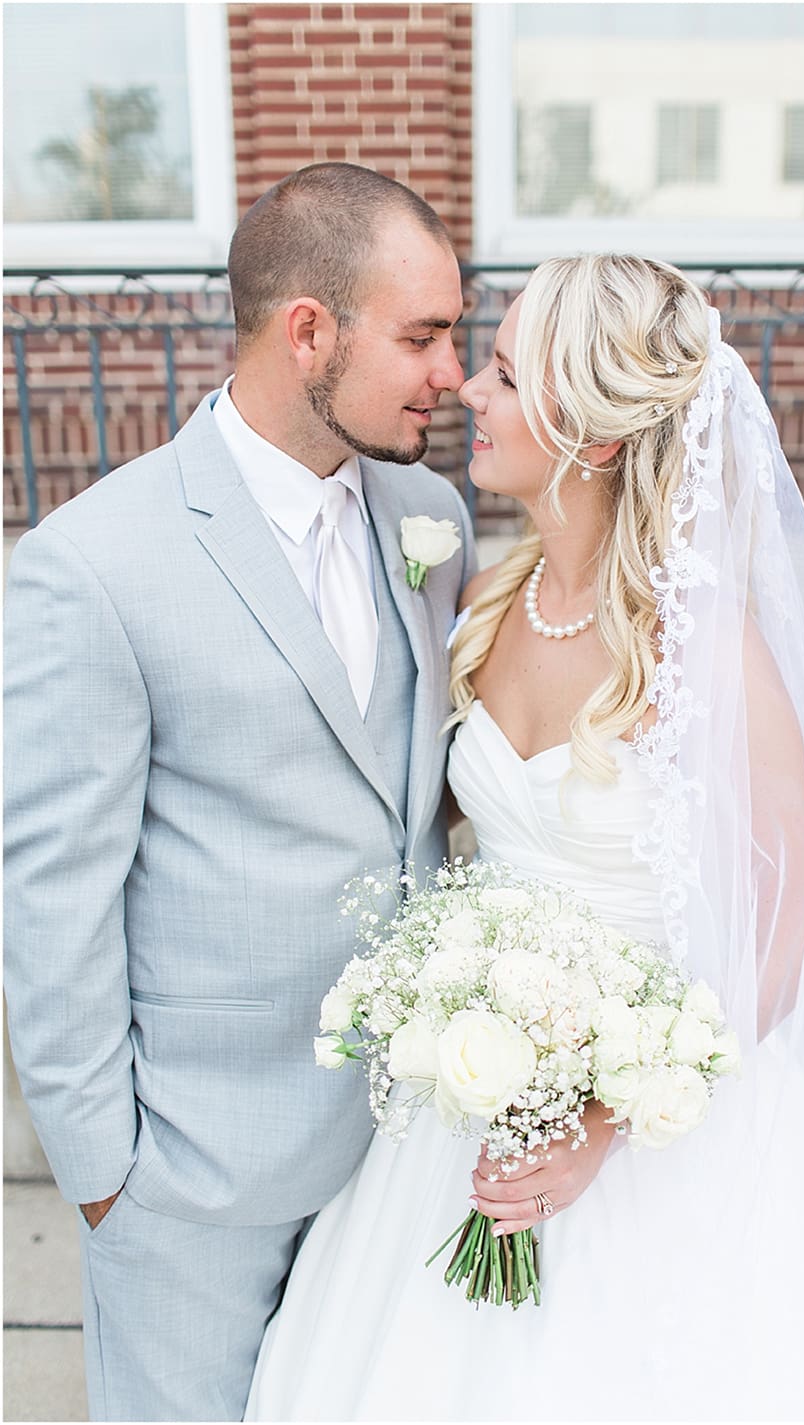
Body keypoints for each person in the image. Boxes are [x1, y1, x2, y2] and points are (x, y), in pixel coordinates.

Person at [245, 253, 804, 1420]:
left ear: (598, 435)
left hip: (663, 1136)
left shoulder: (712, 652)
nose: (468, 388)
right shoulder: (477, 604)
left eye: (509, 375)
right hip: (460, 1107)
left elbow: (785, 943)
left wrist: (601, 1124)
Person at [3, 163, 475, 1421]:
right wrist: (111, 1178)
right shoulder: (91, 567)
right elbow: (51, 903)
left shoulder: (432, 516)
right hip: (196, 1177)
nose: (452, 374)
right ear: (306, 329)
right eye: (422, 335)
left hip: (407, 1152)